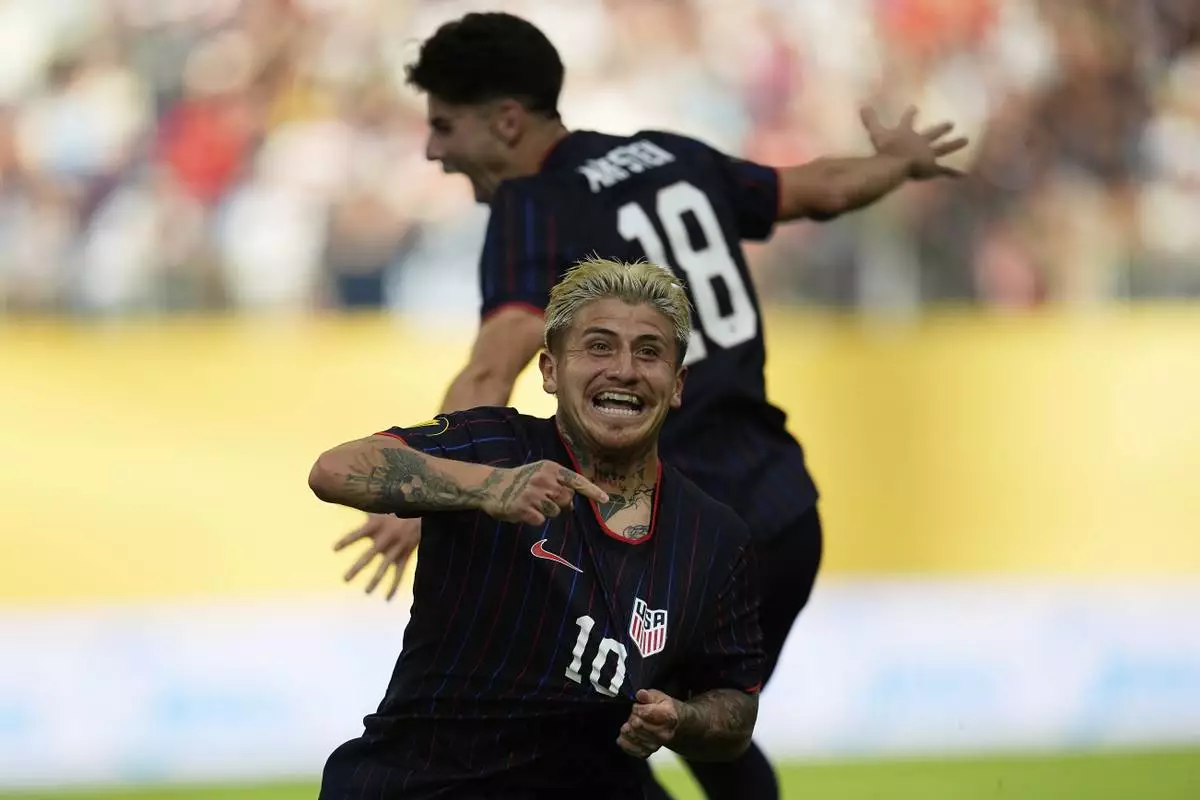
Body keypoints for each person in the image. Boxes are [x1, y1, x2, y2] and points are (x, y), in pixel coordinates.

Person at [332, 11, 969, 800]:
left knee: (582, 733)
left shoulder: (536, 205)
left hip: (660, 533)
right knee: (684, 727)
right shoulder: (672, 154)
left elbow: (495, 360)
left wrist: (427, 484)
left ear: (504, 120)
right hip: (779, 511)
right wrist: (897, 165)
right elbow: (821, 188)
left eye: (444, 126)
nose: (434, 150)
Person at [310, 258, 764, 799]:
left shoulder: (715, 538)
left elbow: (735, 706)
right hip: (420, 784)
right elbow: (335, 469)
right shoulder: (494, 446)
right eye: (598, 346)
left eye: (649, 352)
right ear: (549, 371)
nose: (624, 369)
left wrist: (683, 720)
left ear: (678, 383)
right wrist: (485, 488)